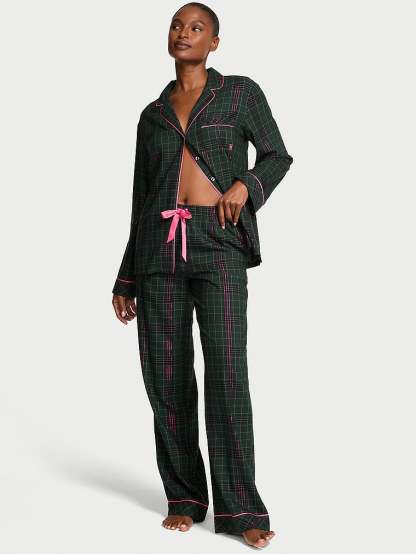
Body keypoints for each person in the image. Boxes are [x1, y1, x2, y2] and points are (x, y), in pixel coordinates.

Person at [111, 2, 293, 549]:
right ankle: (185, 497)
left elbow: (277, 156)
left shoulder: (239, 94)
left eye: (196, 28)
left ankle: (240, 509)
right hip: (157, 250)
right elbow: (141, 197)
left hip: (219, 244)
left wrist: (245, 186)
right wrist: (126, 277)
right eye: (176, 25)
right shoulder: (152, 114)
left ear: (214, 42)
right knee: (165, 377)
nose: (183, 33)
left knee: (227, 375)